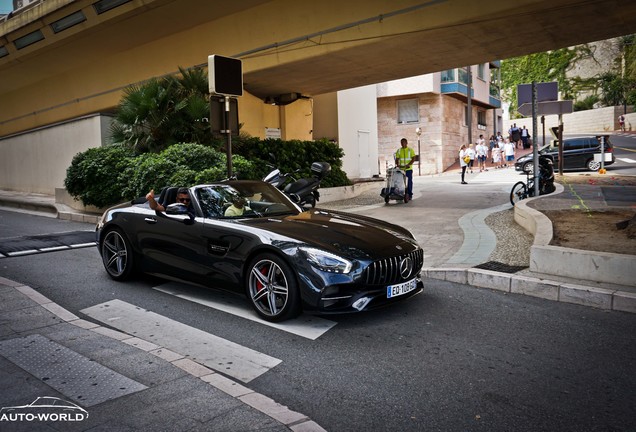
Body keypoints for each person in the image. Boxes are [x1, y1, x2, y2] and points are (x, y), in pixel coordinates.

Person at [395, 138, 416, 202]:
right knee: (400, 182)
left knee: (408, 182)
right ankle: (400, 194)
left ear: (406, 143)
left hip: (408, 169)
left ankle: (409, 195)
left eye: (404, 142)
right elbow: (397, 159)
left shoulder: (410, 150)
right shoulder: (399, 150)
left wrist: (409, 164)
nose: (402, 144)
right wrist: (397, 164)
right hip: (401, 169)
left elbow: (413, 158)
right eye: (401, 143)